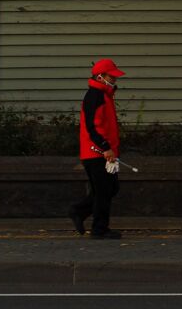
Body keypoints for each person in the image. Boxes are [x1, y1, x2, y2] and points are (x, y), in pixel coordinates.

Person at [69, 58, 125, 239]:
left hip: (100, 152)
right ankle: (99, 228)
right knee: (104, 191)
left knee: (109, 188)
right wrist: (105, 147)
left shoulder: (103, 95)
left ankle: (79, 211)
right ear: (101, 77)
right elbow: (93, 126)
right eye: (112, 76)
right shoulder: (96, 96)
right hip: (97, 152)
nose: (115, 79)